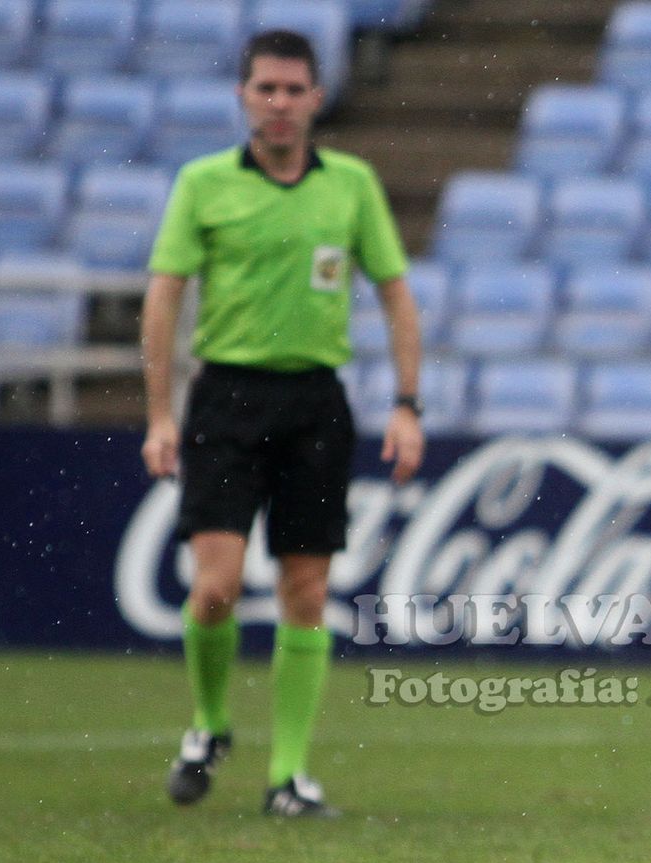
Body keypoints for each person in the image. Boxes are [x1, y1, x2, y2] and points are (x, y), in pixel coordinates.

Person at [139, 29, 425, 817]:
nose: (280, 102)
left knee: (306, 589)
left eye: (294, 89)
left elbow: (397, 294)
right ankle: (207, 723)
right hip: (225, 398)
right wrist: (160, 413)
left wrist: (407, 403)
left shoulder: (351, 185)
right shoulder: (203, 184)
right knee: (216, 590)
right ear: (243, 95)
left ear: (316, 98)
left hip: (314, 404)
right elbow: (164, 298)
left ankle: (288, 777)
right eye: (265, 88)